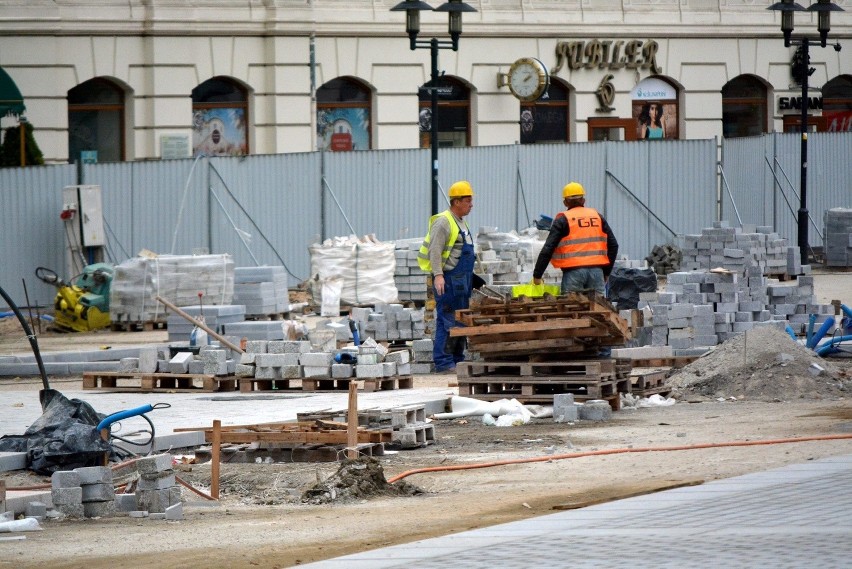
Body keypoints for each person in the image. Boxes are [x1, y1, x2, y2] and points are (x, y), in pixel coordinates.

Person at [418, 180, 475, 373]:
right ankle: (443, 362)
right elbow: (435, 250)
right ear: (456, 201)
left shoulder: (462, 223)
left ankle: (456, 360)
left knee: (459, 320)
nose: (471, 204)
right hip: (449, 280)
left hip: (462, 281)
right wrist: (438, 275)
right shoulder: (443, 221)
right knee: (447, 319)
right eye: (468, 200)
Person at [533, 181, 618, 298]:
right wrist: (606, 273)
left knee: (572, 311)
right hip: (597, 273)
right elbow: (613, 245)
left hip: (573, 274)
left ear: (565, 202)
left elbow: (548, 248)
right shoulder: (597, 217)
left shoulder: (563, 219)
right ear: (583, 200)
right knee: (600, 311)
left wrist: (537, 276)